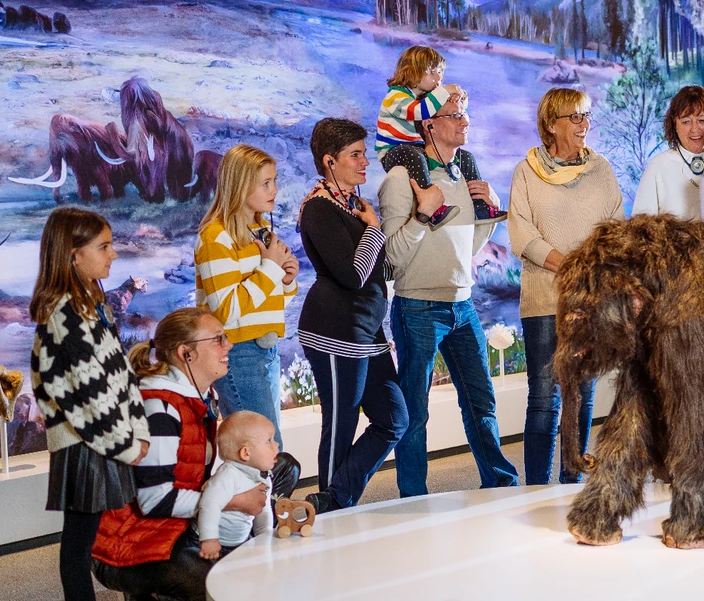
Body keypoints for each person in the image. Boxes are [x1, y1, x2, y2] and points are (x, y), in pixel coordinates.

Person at [92, 307, 301, 601]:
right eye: (218, 339)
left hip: (177, 525)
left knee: (282, 467)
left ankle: (246, 541)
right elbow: (155, 501)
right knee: (215, 580)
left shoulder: (197, 399)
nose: (228, 346)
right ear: (186, 353)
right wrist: (235, 500)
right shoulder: (158, 408)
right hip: (132, 540)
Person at [380, 98, 518, 495]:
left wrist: (490, 210)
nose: (465, 120)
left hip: (463, 305)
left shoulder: (464, 174)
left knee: (481, 403)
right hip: (418, 306)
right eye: (454, 115)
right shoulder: (401, 179)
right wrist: (423, 216)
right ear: (430, 126)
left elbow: (469, 246)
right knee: (415, 412)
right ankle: (412, 497)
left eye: (466, 113)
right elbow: (393, 256)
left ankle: (500, 484)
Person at [29, 207, 150, 601]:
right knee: (78, 547)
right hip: (85, 446)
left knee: (90, 537)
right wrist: (130, 445)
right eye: (104, 246)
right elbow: (87, 400)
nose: (113, 254)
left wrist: (138, 428)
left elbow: (119, 376)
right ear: (73, 254)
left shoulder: (90, 304)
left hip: (104, 441)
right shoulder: (64, 314)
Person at [509, 87, 624, 484]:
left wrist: (592, 272)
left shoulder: (601, 170)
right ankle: (536, 487)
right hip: (545, 300)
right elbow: (522, 234)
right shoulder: (526, 171)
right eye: (574, 117)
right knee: (545, 397)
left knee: (585, 394)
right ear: (551, 123)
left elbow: (616, 230)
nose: (583, 125)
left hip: (592, 301)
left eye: (586, 116)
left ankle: (571, 480)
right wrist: (573, 265)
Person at [297, 118, 409, 512]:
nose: (365, 162)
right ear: (330, 161)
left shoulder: (354, 205)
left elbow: (377, 271)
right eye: (355, 155)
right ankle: (328, 516)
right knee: (341, 426)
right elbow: (353, 274)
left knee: (394, 418)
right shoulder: (318, 209)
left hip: (367, 332)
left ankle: (332, 500)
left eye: (365, 153)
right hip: (334, 332)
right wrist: (375, 230)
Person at [196, 144, 299, 447]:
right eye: (266, 183)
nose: (275, 190)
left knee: (268, 449)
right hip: (238, 353)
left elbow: (267, 304)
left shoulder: (259, 231)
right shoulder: (215, 236)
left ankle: (272, 497)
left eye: (275, 181)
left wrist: (287, 281)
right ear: (240, 186)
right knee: (262, 451)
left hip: (265, 350)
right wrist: (270, 269)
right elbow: (226, 311)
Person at [376, 45, 504, 227]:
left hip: (413, 148)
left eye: (440, 73)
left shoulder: (422, 97)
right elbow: (420, 111)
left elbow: (456, 107)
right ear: (412, 72)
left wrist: (459, 97)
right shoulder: (395, 97)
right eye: (432, 73)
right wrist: (445, 91)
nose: (439, 79)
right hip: (393, 151)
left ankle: (479, 206)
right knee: (416, 155)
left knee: (465, 156)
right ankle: (431, 205)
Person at [632, 85, 704, 218]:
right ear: (675, 125)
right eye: (686, 121)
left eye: (702, 120)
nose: (694, 129)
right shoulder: (658, 166)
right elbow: (640, 228)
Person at [196, 411, 277, 560]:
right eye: (269, 441)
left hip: (241, 542)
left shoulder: (263, 476)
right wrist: (209, 539)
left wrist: (264, 540)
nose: (276, 444)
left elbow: (263, 511)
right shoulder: (228, 475)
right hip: (215, 545)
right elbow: (209, 504)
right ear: (246, 453)